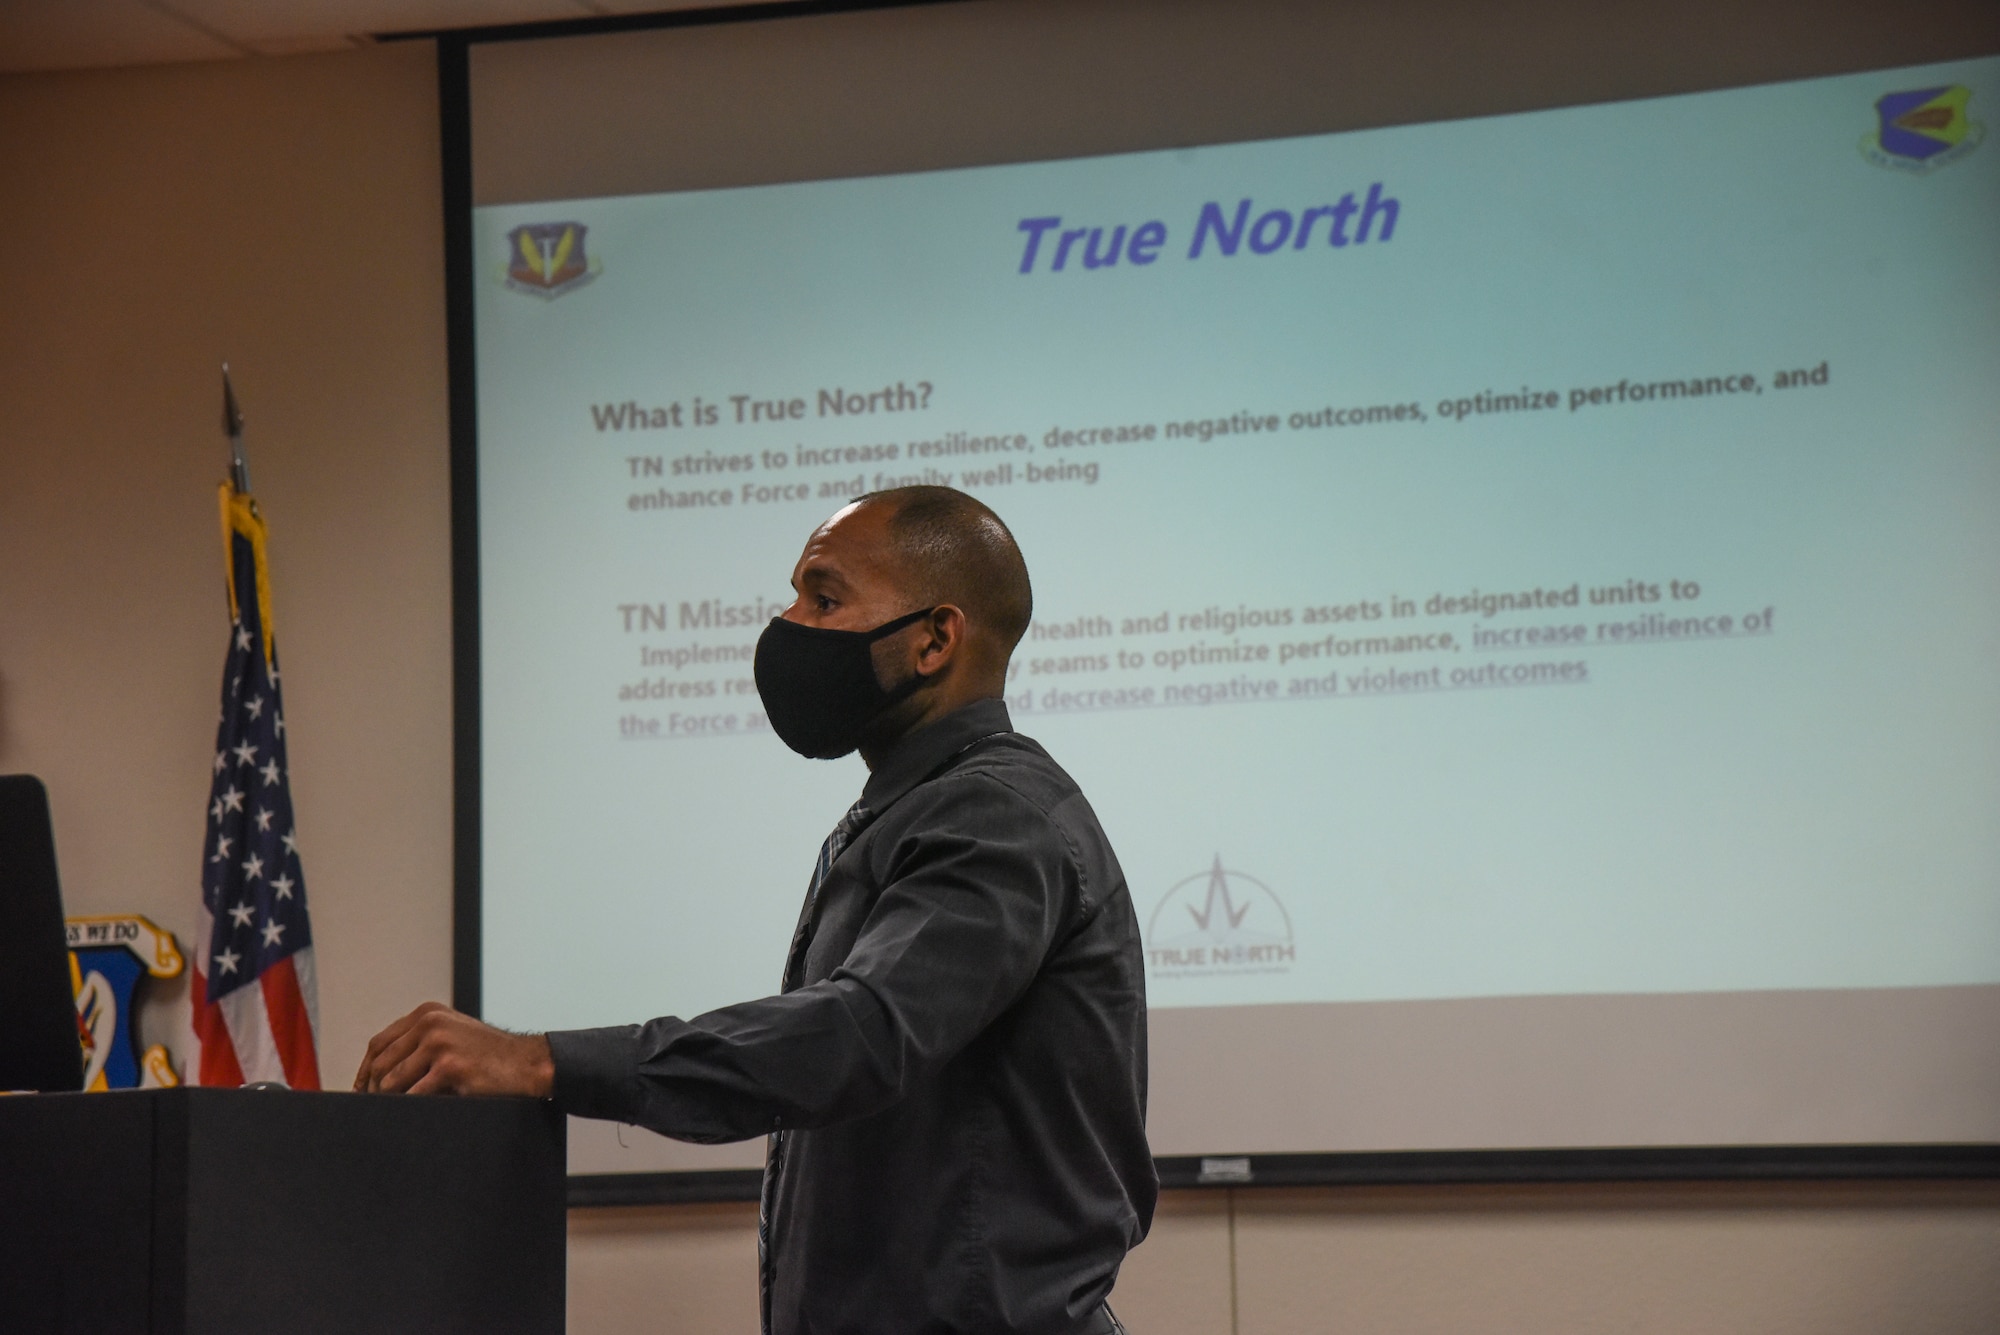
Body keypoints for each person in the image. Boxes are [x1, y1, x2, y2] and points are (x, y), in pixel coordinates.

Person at [355, 486, 1155, 1335]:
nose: (789, 623)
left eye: (824, 596)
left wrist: (542, 1061)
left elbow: (856, 1037)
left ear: (934, 637)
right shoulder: (910, 811)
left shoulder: (994, 818)